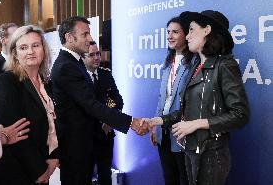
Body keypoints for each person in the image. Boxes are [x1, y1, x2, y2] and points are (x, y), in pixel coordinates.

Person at [147, 10, 250, 185]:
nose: (187, 36)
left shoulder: (225, 64)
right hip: (191, 152)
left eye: (192, 29)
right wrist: (157, 120)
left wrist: (196, 124)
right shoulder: (196, 67)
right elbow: (185, 110)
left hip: (211, 156)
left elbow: (240, 115)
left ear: (207, 30)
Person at [51, 16, 148, 185]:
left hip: (84, 143)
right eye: (85, 34)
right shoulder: (67, 66)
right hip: (75, 147)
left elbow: (102, 101)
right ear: (68, 37)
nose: (90, 39)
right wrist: (130, 122)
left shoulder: (75, 63)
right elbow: (90, 104)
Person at [0, 25, 59, 185]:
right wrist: (40, 171)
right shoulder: (8, 81)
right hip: (18, 171)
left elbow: (53, 125)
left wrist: (54, 157)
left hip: (44, 164)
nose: (30, 52)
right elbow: (17, 132)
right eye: (23, 47)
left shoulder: (46, 83)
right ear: (15, 53)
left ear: (44, 49)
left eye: (36, 45)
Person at [150, 15, 192, 185]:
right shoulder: (168, 62)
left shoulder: (194, 62)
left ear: (186, 35)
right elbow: (163, 98)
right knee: (169, 178)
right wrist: (155, 126)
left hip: (181, 133)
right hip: (163, 131)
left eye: (175, 32)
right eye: (168, 32)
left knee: (184, 178)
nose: (170, 36)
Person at [84, 41, 122, 185]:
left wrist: (109, 121)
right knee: (85, 174)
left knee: (105, 174)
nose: (96, 58)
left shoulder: (106, 75)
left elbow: (118, 101)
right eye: (91, 55)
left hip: (106, 134)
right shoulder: (78, 77)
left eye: (98, 54)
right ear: (83, 58)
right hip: (87, 136)